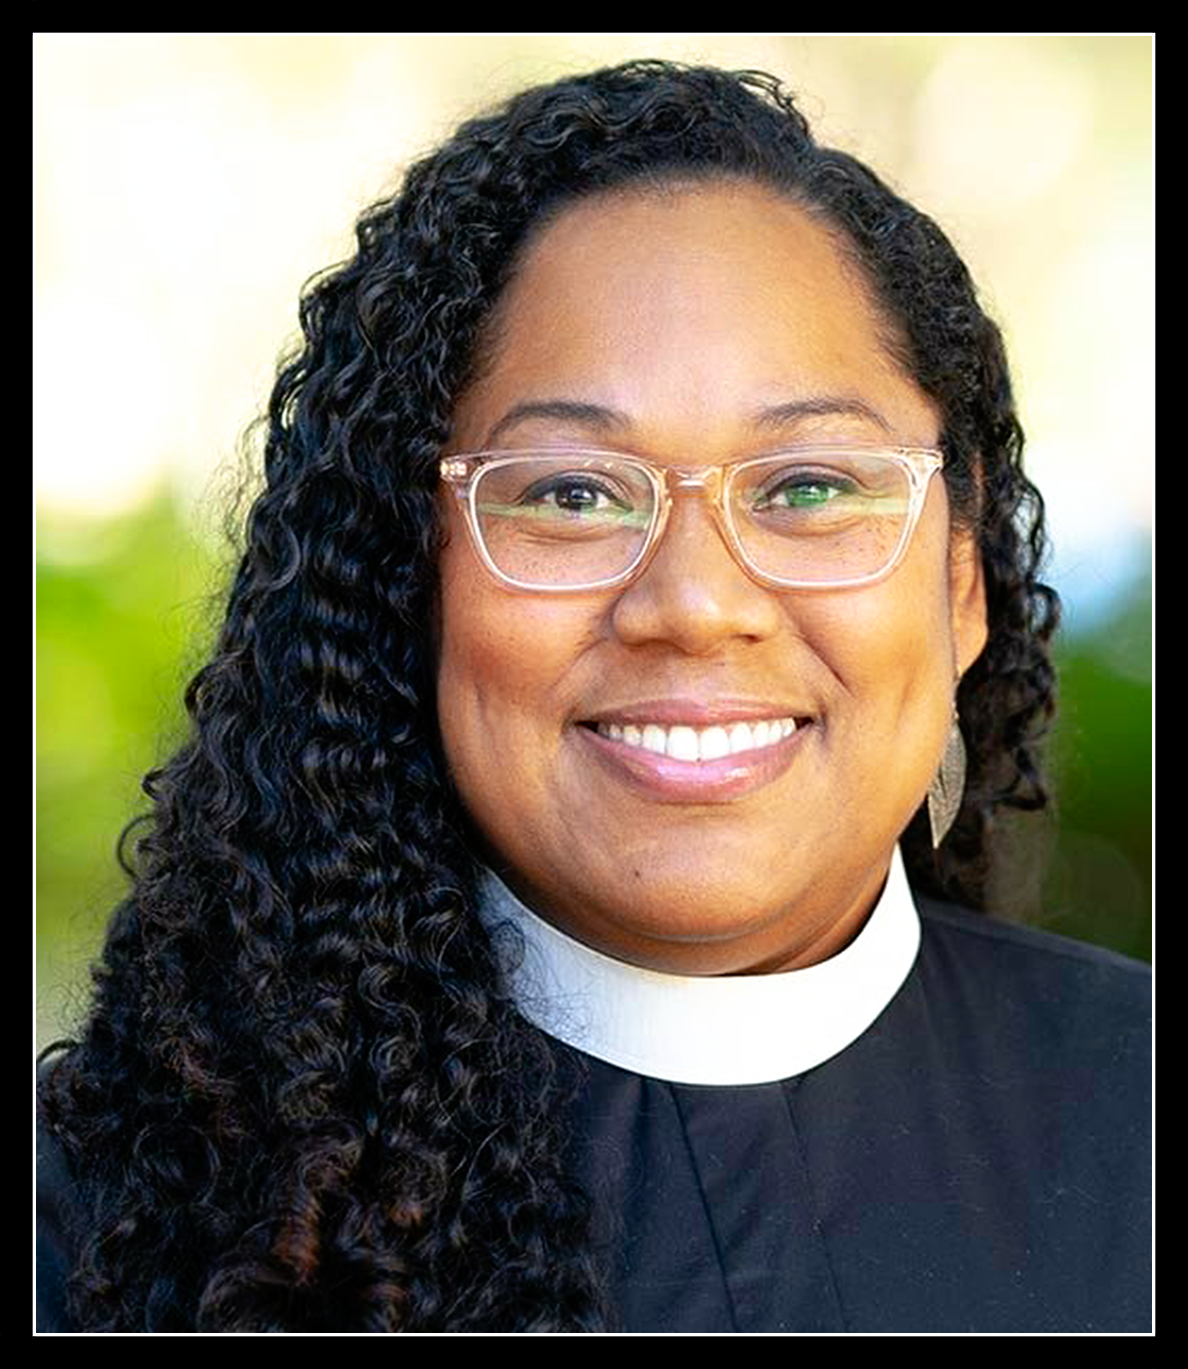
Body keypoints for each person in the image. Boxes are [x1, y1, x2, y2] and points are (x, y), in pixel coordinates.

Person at [36, 59, 1150, 1333]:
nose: (691, 602)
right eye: (571, 493)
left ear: (961, 586)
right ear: (411, 582)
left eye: (807, 486)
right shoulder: (103, 1228)